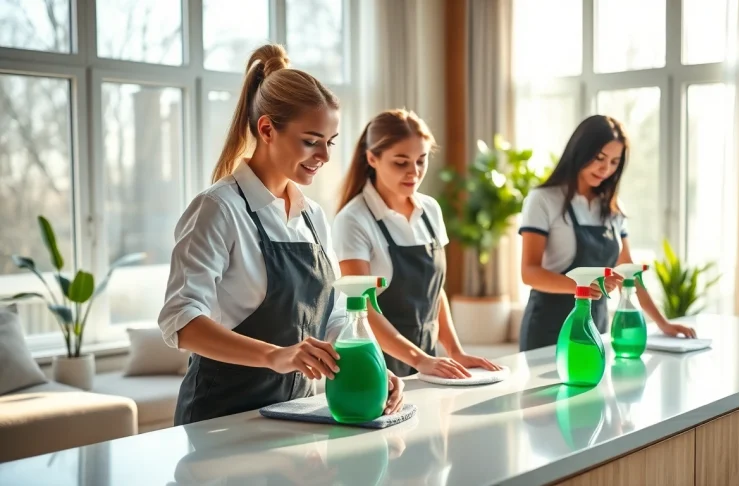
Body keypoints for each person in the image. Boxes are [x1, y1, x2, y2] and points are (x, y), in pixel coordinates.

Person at [158, 44, 404, 425]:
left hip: (294, 417)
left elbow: (336, 314)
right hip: (219, 422)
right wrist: (276, 355)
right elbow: (181, 320)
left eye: (329, 142)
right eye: (311, 141)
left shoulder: (313, 217)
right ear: (267, 129)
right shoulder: (219, 208)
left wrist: (369, 366)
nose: (324, 155)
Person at [332, 109, 501, 378]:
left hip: (426, 359)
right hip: (376, 364)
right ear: (372, 158)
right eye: (401, 162)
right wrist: (419, 359)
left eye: (421, 160)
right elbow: (362, 308)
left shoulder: (430, 210)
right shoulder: (353, 220)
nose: (414, 172)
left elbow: (435, 291)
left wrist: (454, 352)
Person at [518, 114, 696, 352]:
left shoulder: (613, 208)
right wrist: (582, 286)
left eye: (614, 162)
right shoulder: (543, 200)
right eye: (600, 158)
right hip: (548, 328)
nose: (606, 169)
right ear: (579, 151)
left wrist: (663, 323)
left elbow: (628, 273)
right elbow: (530, 272)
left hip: (596, 328)